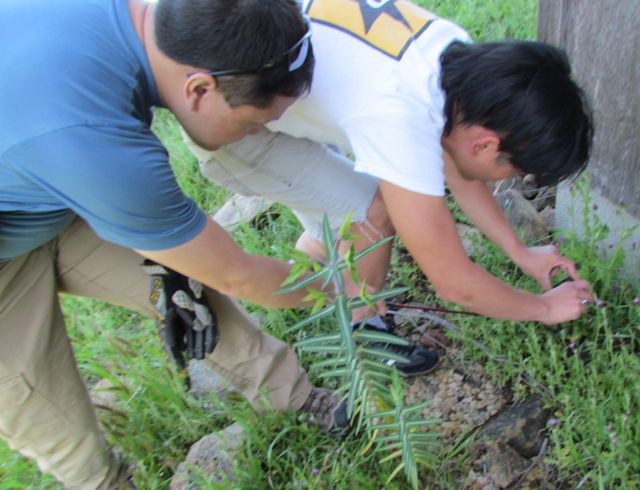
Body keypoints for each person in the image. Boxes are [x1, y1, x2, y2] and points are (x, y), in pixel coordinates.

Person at [0, 0, 347, 488]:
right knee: (49, 414)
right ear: (200, 87)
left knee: (190, 293)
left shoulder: (154, 21)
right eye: (253, 123)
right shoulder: (95, 142)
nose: (256, 134)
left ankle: (290, 394)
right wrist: (341, 288)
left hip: (47, 190)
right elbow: (238, 273)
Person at [186, 0, 595, 330]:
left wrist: (520, 251)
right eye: (517, 171)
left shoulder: (453, 56)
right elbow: (454, 283)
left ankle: (318, 274)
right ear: (487, 144)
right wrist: (544, 308)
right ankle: (365, 325)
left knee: (340, 209)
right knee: (373, 211)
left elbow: (458, 166)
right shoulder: (400, 119)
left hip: (283, 86)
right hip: (232, 122)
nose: (513, 178)